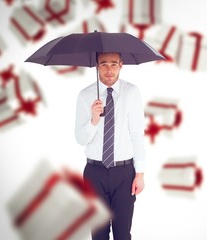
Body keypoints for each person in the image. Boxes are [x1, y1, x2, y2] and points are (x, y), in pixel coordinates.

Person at [74, 52, 146, 240]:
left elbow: (137, 134)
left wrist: (140, 173)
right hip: (94, 173)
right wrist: (93, 120)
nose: (108, 70)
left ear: (121, 65)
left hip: (124, 173)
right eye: (104, 64)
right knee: (98, 234)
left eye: (114, 64)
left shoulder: (132, 92)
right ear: (97, 65)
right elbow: (80, 138)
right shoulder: (85, 95)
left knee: (122, 234)